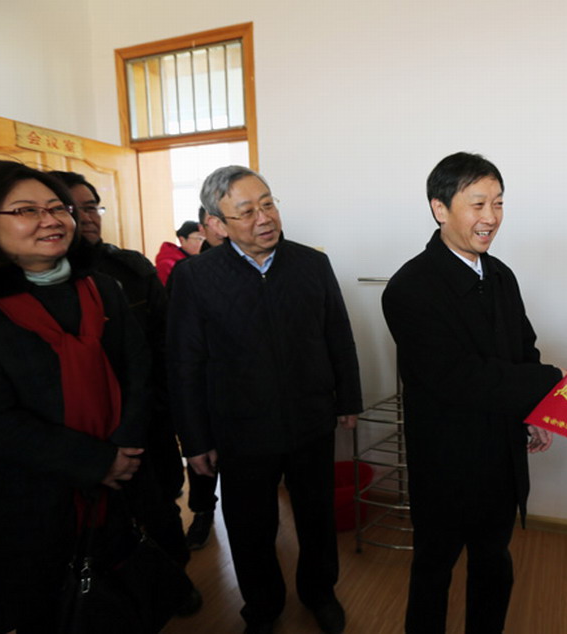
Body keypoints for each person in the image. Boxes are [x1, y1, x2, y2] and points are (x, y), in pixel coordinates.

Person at [166, 165, 363, 634]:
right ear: (217, 224)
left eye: (268, 203)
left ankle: (320, 593)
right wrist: (195, 440)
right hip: (240, 429)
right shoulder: (195, 277)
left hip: (310, 418)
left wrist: (348, 398)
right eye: (247, 211)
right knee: (251, 527)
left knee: (316, 517)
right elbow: (184, 364)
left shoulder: (311, 263)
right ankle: (262, 607)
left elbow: (338, 334)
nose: (264, 218)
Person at [382, 152, 561, 634]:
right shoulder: (408, 288)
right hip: (445, 462)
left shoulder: (500, 274)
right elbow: (459, 377)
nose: (491, 217)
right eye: (478, 204)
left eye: (498, 203)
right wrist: (552, 382)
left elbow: (524, 349)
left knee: (493, 561)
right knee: (433, 569)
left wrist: (538, 410)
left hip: (502, 453)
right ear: (440, 209)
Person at [0, 160, 149, 632]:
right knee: (49, 609)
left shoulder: (102, 287)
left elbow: (139, 371)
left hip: (123, 476)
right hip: (28, 499)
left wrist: (126, 448)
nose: (51, 220)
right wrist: (98, 462)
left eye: (58, 208)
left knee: (122, 596)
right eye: (27, 210)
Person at [49, 171, 198, 582]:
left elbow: (165, 347)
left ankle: (176, 582)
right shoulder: (27, 287)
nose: (86, 217)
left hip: (145, 420)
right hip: (76, 436)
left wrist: (161, 413)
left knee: (161, 506)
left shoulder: (128, 270)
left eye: (92, 207)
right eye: (71, 208)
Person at [180, 205, 224, 550]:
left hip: (245, 397)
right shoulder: (189, 274)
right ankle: (202, 512)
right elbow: (181, 356)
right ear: (207, 224)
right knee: (203, 465)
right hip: (206, 391)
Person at [155, 220, 204, 284]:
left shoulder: (199, 259)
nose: (204, 243)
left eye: (205, 239)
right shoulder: (167, 264)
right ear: (182, 240)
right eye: (200, 239)